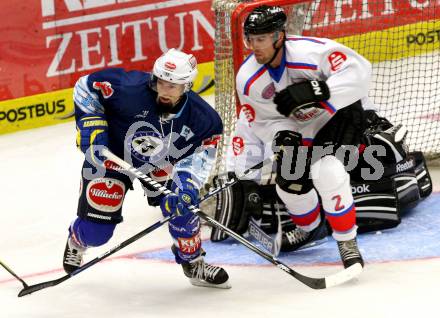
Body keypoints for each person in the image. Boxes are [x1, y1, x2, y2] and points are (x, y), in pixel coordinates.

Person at [63, 48, 230, 289]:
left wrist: (186, 187)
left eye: (171, 86)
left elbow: (196, 159)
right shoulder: (127, 87)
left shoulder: (204, 120)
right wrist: (91, 124)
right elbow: (85, 86)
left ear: (187, 86)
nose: (163, 90)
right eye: (160, 82)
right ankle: (77, 241)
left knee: (182, 207)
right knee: (96, 233)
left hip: (163, 163)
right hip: (111, 156)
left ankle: (193, 262)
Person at [230, 5, 374, 269]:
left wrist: (320, 89)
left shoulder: (311, 53)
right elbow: (263, 120)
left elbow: (360, 72)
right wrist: (281, 135)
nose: (254, 46)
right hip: (301, 128)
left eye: (261, 39)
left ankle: (346, 241)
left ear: (279, 37)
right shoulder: (248, 79)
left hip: (337, 115)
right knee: (289, 185)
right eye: (250, 39)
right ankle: (310, 229)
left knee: (327, 170)